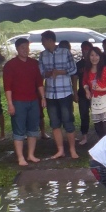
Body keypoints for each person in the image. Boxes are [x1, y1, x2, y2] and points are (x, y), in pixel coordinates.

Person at [3, 37, 45, 166]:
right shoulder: (10, 65)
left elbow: (39, 83)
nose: (25, 50)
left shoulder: (33, 63)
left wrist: (43, 97)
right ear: (17, 49)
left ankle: (31, 154)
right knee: (19, 130)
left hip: (33, 100)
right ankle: (20, 157)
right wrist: (10, 103)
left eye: (27, 47)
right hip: (18, 102)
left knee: (33, 129)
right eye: (22, 48)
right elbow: (7, 87)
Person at [38, 30, 79, 159]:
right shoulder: (42, 55)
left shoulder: (65, 52)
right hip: (50, 94)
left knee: (68, 122)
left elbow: (73, 69)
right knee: (54, 123)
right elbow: (40, 72)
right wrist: (48, 73)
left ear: (50, 40)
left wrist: (60, 72)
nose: (42, 43)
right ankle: (60, 150)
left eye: (43, 40)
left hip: (65, 93)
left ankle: (72, 150)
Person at [81, 47, 106, 139]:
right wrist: (87, 90)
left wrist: (102, 89)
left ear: (100, 57)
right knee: (98, 129)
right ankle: (103, 147)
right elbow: (84, 82)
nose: (94, 58)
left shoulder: (105, 69)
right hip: (95, 101)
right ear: (89, 57)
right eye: (92, 55)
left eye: (96, 55)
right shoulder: (87, 70)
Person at [72, 40, 92, 145]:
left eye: (87, 50)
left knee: (98, 114)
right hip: (82, 93)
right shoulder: (79, 64)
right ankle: (84, 136)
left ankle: (101, 134)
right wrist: (75, 93)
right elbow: (75, 78)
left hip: (96, 93)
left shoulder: (95, 63)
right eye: (83, 50)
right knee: (84, 115)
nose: (85, 52)